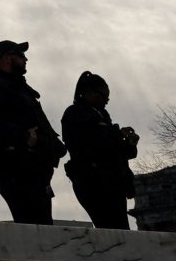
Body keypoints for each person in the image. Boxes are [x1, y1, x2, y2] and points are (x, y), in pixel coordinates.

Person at [0, 39, 62, 224]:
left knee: (44, 226)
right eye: (21, 55)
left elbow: (41, 123)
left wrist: (55, 145)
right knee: (32, 227)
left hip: (37, 169)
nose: (26, 59)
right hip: (15, 169)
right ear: (7, 58)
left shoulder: (25, 91)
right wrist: (23, 137)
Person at [59, 70, 139, 231]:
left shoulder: (102, 116)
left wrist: (130, 144)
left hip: (113, 182)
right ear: (88, 93)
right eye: (102, 95)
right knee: (111, 230)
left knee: (121, 230)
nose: (106, 100)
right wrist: (116, 135)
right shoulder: (74, 114)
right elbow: (90, 145)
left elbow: (115, 151)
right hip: (93, 182)